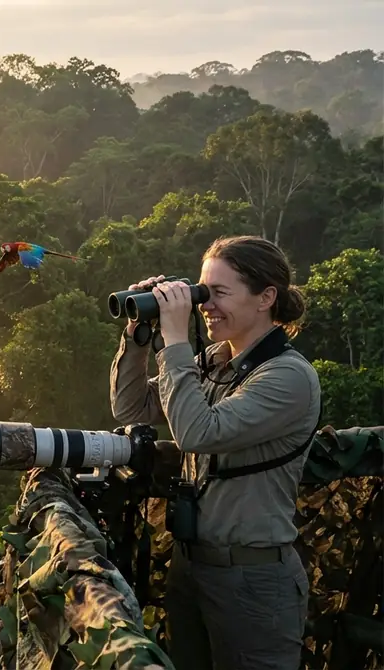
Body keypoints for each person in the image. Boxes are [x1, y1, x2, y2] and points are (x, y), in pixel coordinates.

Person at [109, 235, 321, 670]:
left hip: (254, 581)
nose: (204, 305)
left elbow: (195, 432)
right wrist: (136, 338)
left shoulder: (288, 377)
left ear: (266, 298)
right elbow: (131, 408)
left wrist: (173, 339)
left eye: (218, 293)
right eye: (201, 292)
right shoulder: (215, 361)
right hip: (192, 568)